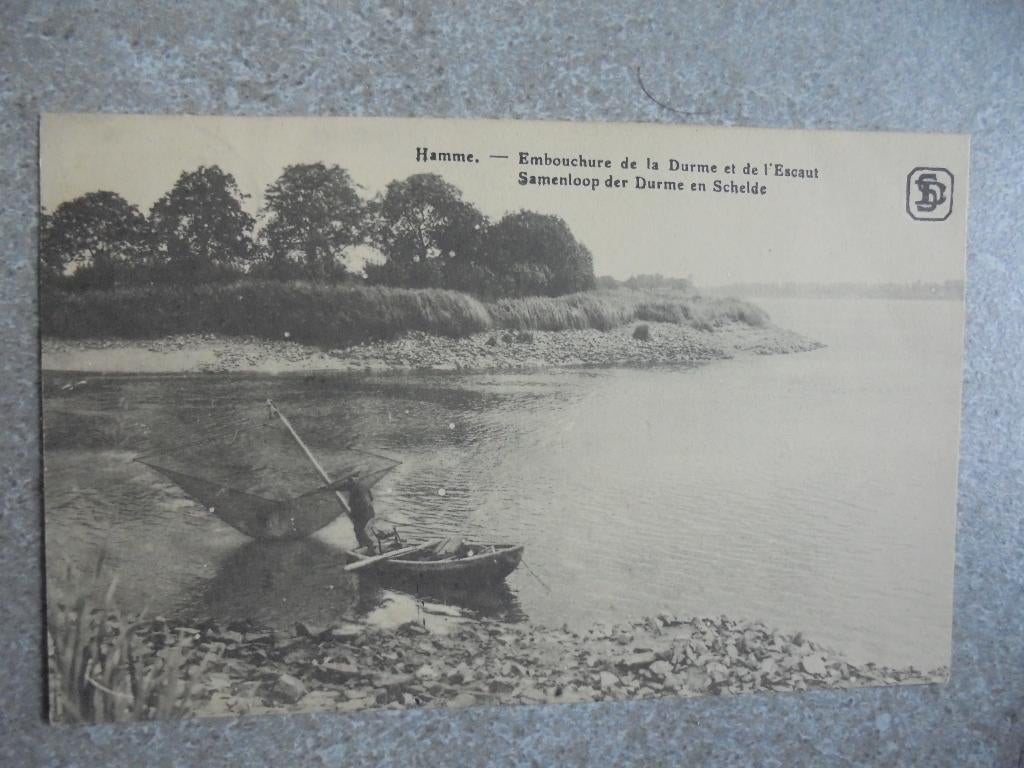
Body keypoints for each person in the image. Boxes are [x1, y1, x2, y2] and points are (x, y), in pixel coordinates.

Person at [343, 475, 377, 550]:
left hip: (363, 513)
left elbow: (355, 504)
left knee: (358, 529)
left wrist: (354, 514)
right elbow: (371, 498)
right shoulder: (363, 485)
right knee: (362, 529)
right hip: (370, 512)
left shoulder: (355, 489)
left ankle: (368, 545)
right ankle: (366, 544)